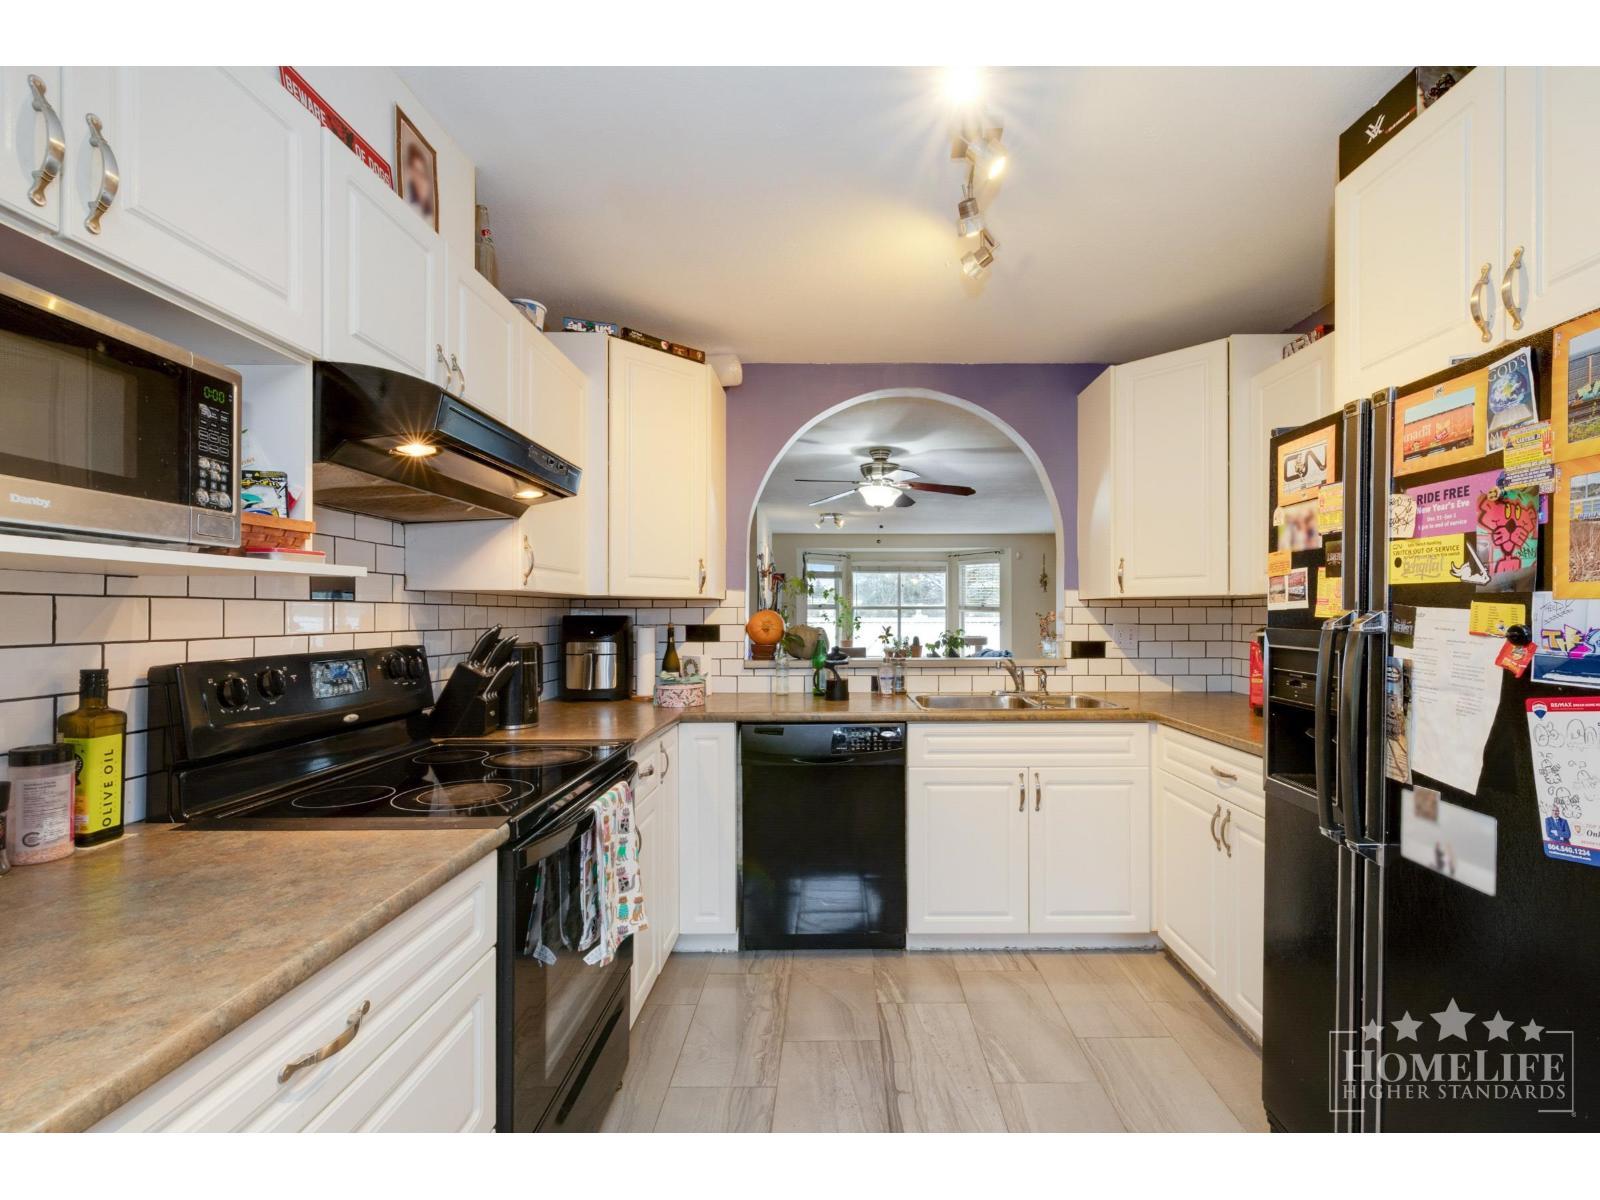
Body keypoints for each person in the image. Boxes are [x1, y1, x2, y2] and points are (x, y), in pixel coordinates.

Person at [402, 139, 435, 226]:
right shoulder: (406, 203)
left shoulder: (430, 218)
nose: (420, 180)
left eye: (422, 174)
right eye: (416, 172)